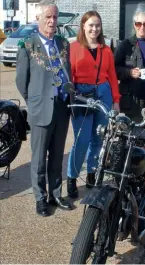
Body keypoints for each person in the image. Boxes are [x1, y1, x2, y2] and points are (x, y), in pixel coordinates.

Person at [16, 0, 72, 216]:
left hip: (61, 108)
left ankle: (55, 194)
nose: (52, 21)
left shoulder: (63, 44)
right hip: (40, 109)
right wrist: (35, 101)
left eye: (55, 17)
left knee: (57, 156)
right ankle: (40, 198)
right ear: (38, 18)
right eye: (48, 17)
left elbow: (68, 73)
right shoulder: (28, 46)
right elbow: (22, 81)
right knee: (39, 158)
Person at [66, 11, 120, 198]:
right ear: (83, 26)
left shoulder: (106, 49)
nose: (94, 29)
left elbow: (112, 74)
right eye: (91, 25)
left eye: (97, 25)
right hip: (82, 96)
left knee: (99, 137)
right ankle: (72, 177)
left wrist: (116, 100)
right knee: (82, 139)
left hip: (103, 93)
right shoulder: (73, 48)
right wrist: (71, 98)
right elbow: (69, 75)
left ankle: (91, 173)